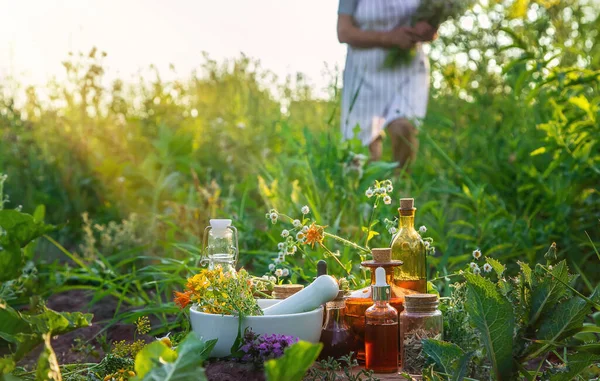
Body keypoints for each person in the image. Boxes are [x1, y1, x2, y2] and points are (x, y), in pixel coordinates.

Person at [337, 0, 437, 168]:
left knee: (404, 128)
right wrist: (389, 38)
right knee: (360, 153)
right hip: (364, 68)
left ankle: (403, 188)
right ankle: (367, 192)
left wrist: (427, 30)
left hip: (407, 66)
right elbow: (344, 32)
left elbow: (431, 30)